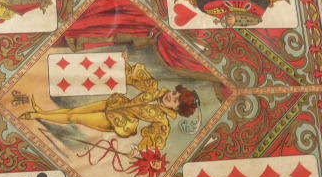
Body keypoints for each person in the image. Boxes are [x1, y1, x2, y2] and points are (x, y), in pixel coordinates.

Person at [20, 61, 199, 152]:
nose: (171, 97)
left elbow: (152, 140)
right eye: (175, 93)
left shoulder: (161, 121)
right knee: (73, 111)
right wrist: (123, 63)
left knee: (74, 118)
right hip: (115, 103)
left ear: (176, 109)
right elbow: (132, 74)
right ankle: (42, 113)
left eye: (176, 101)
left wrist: (137, 150)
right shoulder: (152, 88)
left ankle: (37, 116)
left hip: (117, 122)